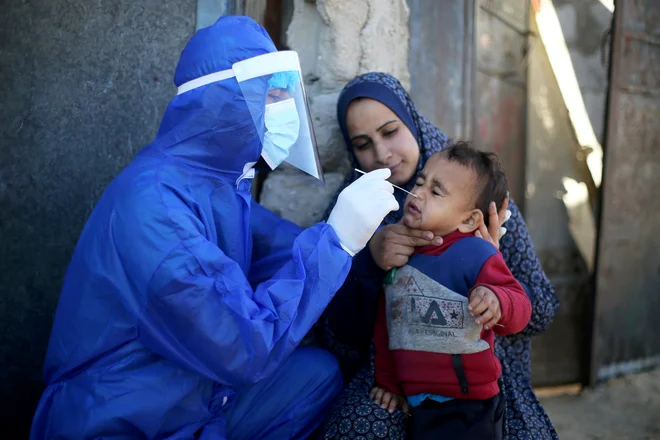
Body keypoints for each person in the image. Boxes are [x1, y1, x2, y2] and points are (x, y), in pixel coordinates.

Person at [30, 17, 400, 440]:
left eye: (285, 95)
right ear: (224, 102)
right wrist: (336, 240)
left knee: (314, 375)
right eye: (272, 95)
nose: (285, 109)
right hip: (125, 410)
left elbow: (281, 246)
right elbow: (243, 347)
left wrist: (364, 248)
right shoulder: (154, 208)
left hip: (192, 391)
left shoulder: (217, 183)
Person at [319, 72, 559, 440]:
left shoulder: (477, 195)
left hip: (480, 374)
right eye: (363, 144)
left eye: (390, 131)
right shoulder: (353, 208)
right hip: (391, 370)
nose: (382, 154)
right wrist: (369, 264)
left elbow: (542, 308)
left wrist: (490, 269)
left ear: (411, 121)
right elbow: (340, 338)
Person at [371, 143, 532, 439]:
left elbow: (521, 306)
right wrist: (389, 384)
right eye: (420, 182)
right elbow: (388, 330)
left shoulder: (475, 253)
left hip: (470, 406)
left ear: (470, 219)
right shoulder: (398, 257)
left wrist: (497, 300)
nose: (417, 192)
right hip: (419, 404)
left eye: (436, 191)